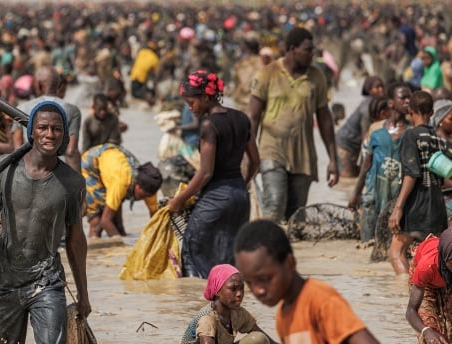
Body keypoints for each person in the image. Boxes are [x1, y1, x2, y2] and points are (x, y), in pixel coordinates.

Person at [0, 100, 90, 344]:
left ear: (64, 134)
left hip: (47, 281)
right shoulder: (6, 167)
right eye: (43, 128)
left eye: (56, 129)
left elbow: (76, 240)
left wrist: (84, 294)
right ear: (32, 132)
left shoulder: (72, 182)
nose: (49, 134)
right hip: (5, 281)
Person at [234, 220, 392, 344]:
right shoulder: (282, 316)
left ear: (290, 263)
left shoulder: (320, 300)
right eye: (249, 282)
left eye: (265, 278)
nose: (258, 290)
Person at [167, 70, 259, 278]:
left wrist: (179, 200)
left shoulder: (209, 125)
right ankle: (224, 307)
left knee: (193, 255)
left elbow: (206, 172)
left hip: (216, 198)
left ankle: (197, 306)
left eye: (192, 102)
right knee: (228, 260)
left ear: (206, 97)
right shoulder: (242, 119)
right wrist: (242, 184)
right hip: (239, 199)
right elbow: (255, 161)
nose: (190, 108)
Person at [247, 27, 338, 224]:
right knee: (274, 206)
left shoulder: (316, 77)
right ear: (292, 49)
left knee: (296, 217)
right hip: (271, 149)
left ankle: (293, 253)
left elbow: (324, 119)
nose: (311, 55)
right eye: (307, 50)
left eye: (313, 50)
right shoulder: (267, 74)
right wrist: (248, 154)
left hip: (303, 155)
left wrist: (332, 158)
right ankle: (267, 250)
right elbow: (253, 117)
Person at [389, 91, 448, 275]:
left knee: (396, 252)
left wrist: (398, 207)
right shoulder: (440, 140)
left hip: (417, 204)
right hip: (437, 207)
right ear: (431, 113)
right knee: (433, 256)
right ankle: (434, 297)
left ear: (410, 111)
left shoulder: (411, 136)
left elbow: (411, 174)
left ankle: (405, 291)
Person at [179, 264, 278, 344]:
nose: (239, 294)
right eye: (233, 289)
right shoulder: (207, 319)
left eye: (241, 288)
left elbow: (263, 335)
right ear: (217, 291)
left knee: (260, 339)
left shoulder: (238, 313)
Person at [348, 95, 404, 245]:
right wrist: (356, 192)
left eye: (409, 98)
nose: (406, 101)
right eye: (403, 97)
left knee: (390, 243)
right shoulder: (376, 130)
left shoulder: (411, 133)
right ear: (391, 103)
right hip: (373, 194)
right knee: (367, 244)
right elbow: (365, 164)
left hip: (396, 199)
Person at [81, 144, 162, 238]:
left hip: (114, 161)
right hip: (92, 165)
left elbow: (155, 220)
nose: (143, 199)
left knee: (118, 224)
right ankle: (93, 248)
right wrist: (121, 247)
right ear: (138, 187)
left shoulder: (150, 187)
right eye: (142, 196)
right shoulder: (121, 182)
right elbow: (105, 221)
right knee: (97, 222)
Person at [12, 66, 82, 172]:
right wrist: (78, 182)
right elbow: (71, 151)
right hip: (59, 173)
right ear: (58, 85)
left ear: (39, 85)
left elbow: (18, 148)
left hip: (29, 170)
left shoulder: (22, 108)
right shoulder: (72, 110)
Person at [406, 228, 452, 344]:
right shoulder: (426, 267)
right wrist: (426, 330)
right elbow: (411, 311)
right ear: (444, 257)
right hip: (426, 284)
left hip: (447, 281)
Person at [335, 76, 385, 178]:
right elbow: (365, 137)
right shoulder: (367, 108)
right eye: (377, 87)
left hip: (354, 145)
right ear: (369, 90)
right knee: (347, 179)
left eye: (382, 86)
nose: (381, 89)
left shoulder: (376, 104)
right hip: (345, 145)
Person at [129, 39, 159, 106]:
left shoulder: (142, 51)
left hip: (134, 75)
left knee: (134, 93)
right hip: (142, 78)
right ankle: (148, 96)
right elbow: (156, 72)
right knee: (137, 94)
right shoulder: (155, 58)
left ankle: (147, 96)